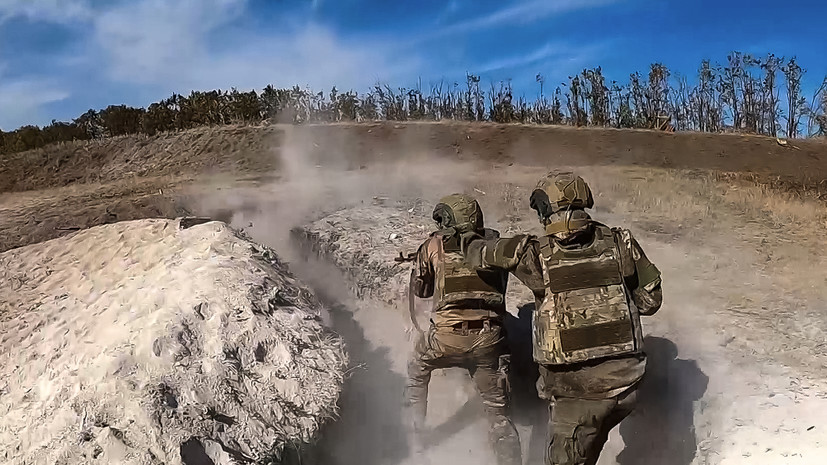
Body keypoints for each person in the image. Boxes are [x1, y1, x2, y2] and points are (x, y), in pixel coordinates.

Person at [458, 172, 663, 465]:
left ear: (545, 210)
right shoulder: (621, 242)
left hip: (577, 396)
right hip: (627, 387)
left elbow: (480, 254)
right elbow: (651, 300)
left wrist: (467, 235)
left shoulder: (532, 253)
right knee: (592, 441)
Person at [404, 193, 522, 465]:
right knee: (497, 410)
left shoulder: (433, 245)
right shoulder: (495, 246)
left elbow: (421, 290)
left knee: (416, 370)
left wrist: (421, 262)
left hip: (445, 340)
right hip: (488, 339)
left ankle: (418, 438)